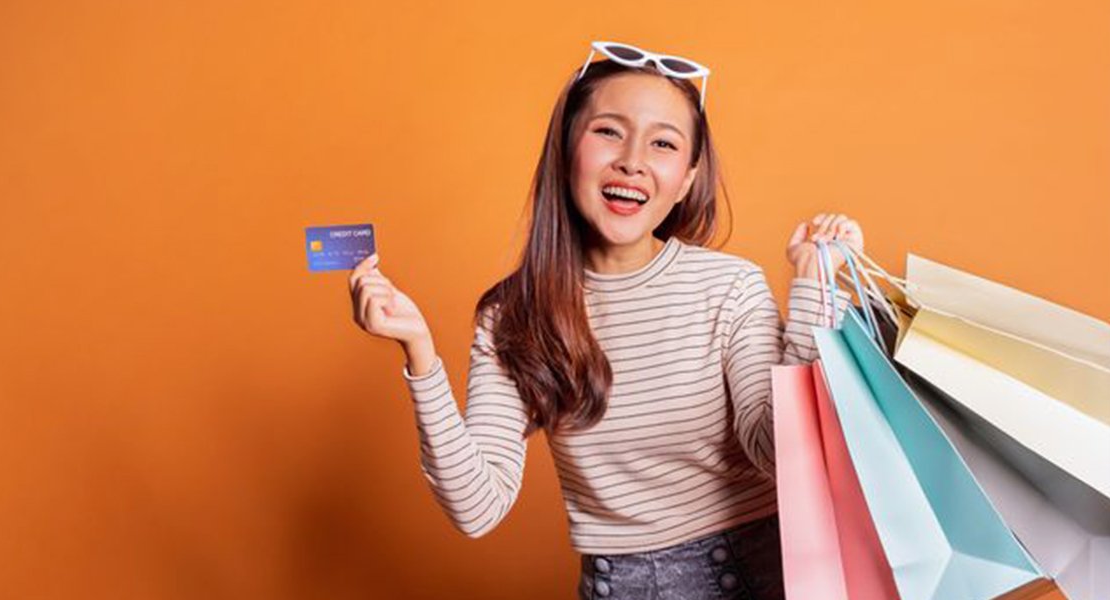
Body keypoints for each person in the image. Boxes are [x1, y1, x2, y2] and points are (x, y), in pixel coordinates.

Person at [347, 41, 863, 600]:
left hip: (776, 569)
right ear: (566, 149)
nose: (633, 160)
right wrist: (420, 355)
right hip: (629, 587)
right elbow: (477, 507)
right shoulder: (514, 316)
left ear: (687, 178)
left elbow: (778, 451)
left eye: (663, 142)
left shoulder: (728, 286)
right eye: (609, 131)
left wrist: (815, 284)